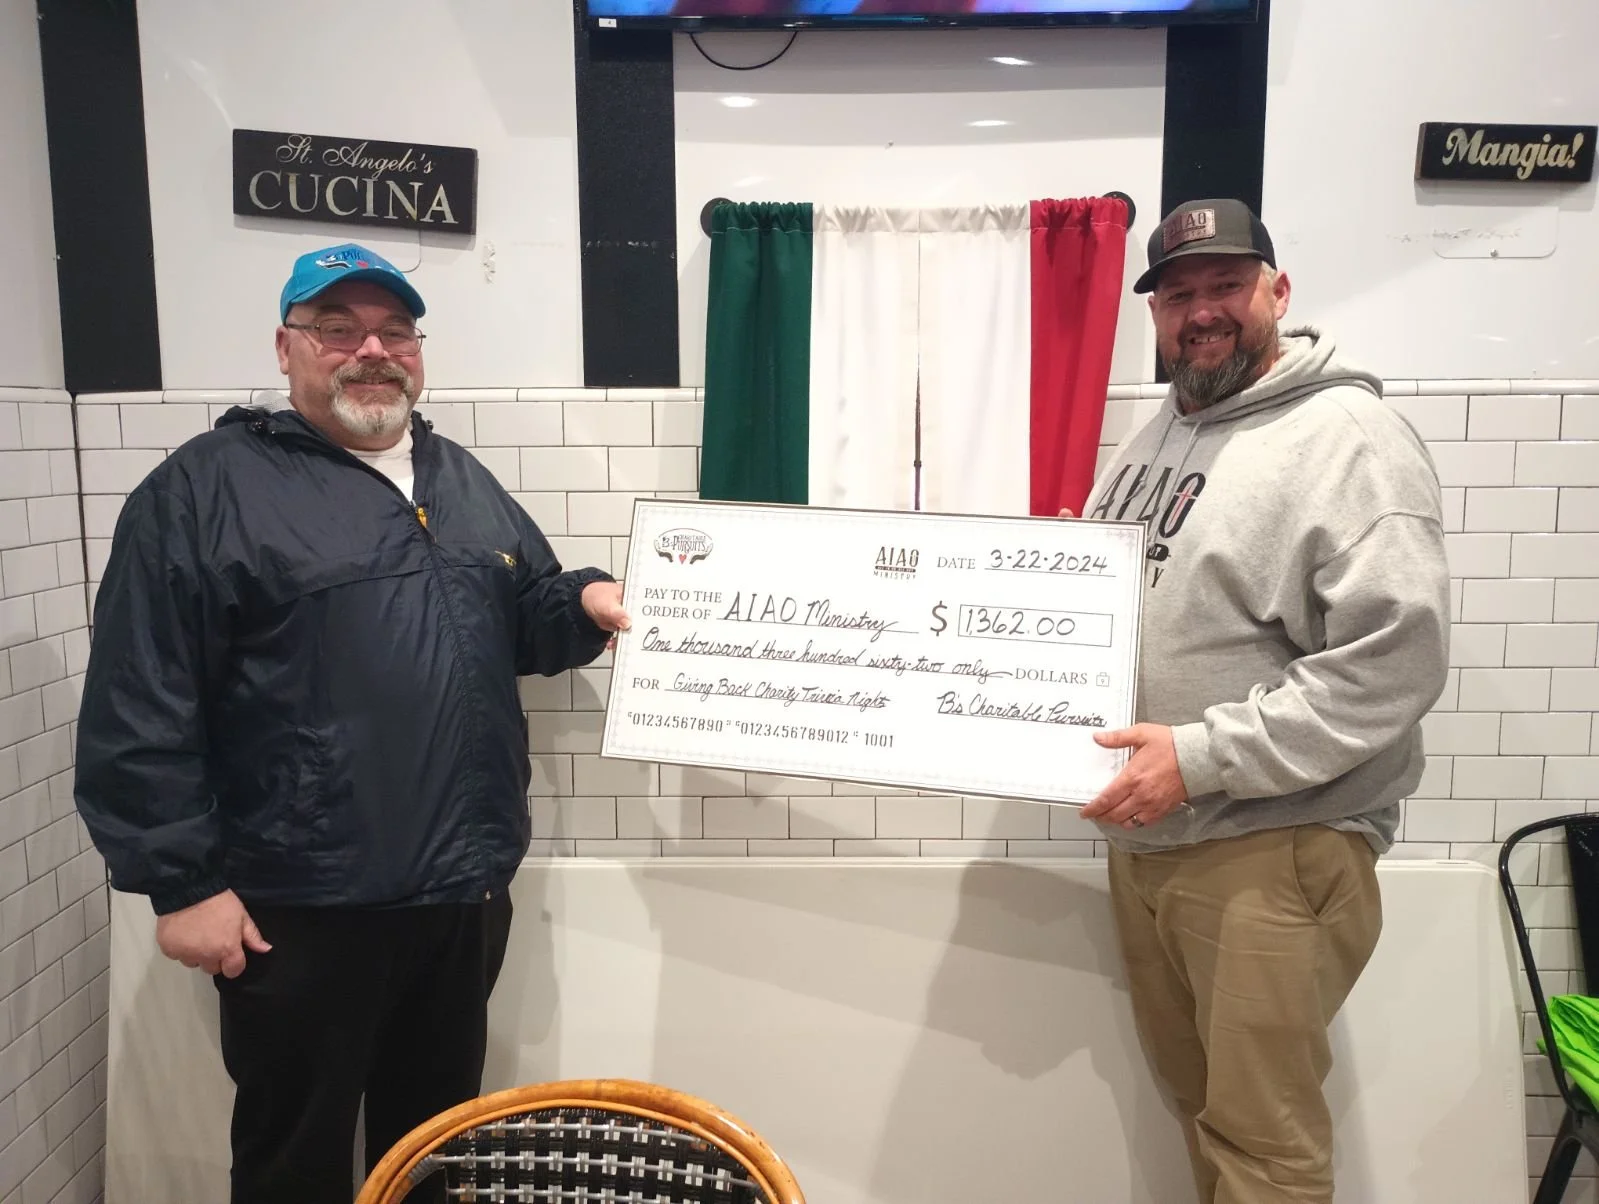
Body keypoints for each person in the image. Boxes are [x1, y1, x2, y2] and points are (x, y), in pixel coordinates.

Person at [74, 242, 630, 1204]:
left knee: (435, 1150)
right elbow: (139, 697)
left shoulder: (459, 479)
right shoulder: (203, 490)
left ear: (418, 350)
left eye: (394, 330)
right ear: (286, 349)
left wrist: (584, 602)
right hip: (301, 907)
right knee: (298, 1159)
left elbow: (526, 617)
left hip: (460, 893)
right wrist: (180, 884)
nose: (371, 350)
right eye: (338, 329)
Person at [1071, 200, 1450, 1203]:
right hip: (1159, 843)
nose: (1202, 311)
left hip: (1269, 845)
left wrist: (1199, 758)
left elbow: (1393, 661)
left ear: (1278, 293)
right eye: (1179, 293)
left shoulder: (1348, 437)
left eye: (1226, 287)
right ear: (1155, 314)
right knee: (1205, 1109)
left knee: (1262, 1144)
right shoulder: (1164, 429)